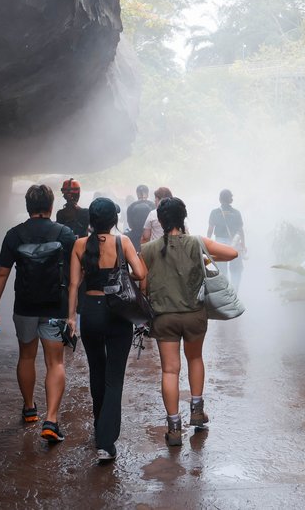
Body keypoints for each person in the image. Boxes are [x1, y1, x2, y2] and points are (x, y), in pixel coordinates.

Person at [139, 196, 238, 446]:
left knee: (169, 370)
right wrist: (206, 256)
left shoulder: (148, 249)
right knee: (195, 358)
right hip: (194, 315)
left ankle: (174, 428)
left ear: (160, 220)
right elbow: (233, 252)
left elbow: (142, 284)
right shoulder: (197, 243)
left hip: (164, 318)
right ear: (183, 218)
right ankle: (197, 411)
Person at [0, 184, 77, 443]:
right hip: (55, 307)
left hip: (25, 306)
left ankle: (29, 409)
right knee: (55, 362)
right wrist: (73, 311)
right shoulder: (64, 233)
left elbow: (2, 273)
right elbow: (76, 272)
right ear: (51, 206)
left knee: (26, 356)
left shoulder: (15, 235)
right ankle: (51, 420)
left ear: (28, 207)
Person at [67, 198, 147, 461]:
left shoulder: (80, 244)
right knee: (114, 378)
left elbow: (73, 284)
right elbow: (140, 273)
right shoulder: (123, 242)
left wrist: (71, 318)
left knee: (97, 372)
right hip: (117, 312)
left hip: (90, 312)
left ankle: (99, 426)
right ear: (114, 220)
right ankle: (105, 441)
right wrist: (123, 273)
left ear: (91, 219)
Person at [207, 189, 246, 289]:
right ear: (231, 199)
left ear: (220, 199)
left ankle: (225, 291)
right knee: (236, 270)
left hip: (219, 244)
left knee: (222, 271)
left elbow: (210, 230)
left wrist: (206, 245)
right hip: (234, 244)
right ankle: (235, 291)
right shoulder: (236, 213)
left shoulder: (215, 212)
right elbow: (240, 230)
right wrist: (243, 244)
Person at [126, 184, 155, 251]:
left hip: (135, 237)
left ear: (137, 194)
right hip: (151, 238)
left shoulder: (131, 206)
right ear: (147, 194)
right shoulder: (153, 206)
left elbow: (130, 225)